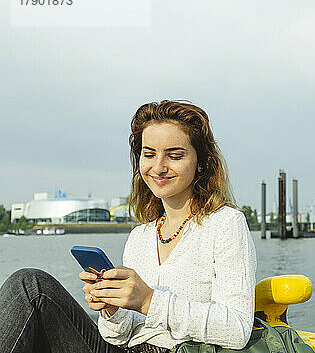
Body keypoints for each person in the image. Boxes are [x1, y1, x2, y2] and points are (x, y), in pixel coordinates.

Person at [0, 100, 257, 353]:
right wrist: (112, 307)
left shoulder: (225, 223)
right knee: (30, 285)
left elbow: (236, 329)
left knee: (30, 285)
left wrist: (147, 300)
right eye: (149, 154)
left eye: (175, 155)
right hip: (127, 349)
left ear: (201, 162)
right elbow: (119, 336)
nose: (158, 167)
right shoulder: (140, 236)